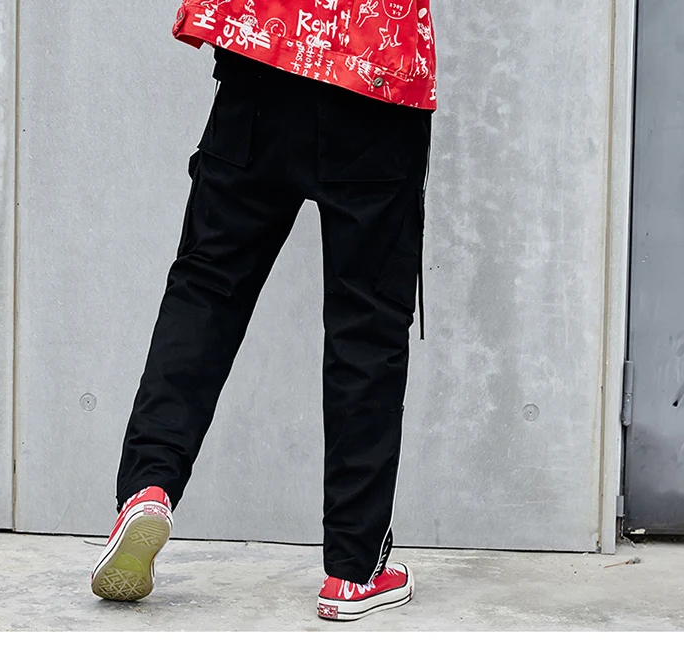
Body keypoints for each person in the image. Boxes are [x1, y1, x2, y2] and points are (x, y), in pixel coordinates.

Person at [91, 0, 436, 622]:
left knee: (207, 289)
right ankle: (354, 570)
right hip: (375, 80)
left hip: (262, 62)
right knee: (367, 327)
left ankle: (148, 485)